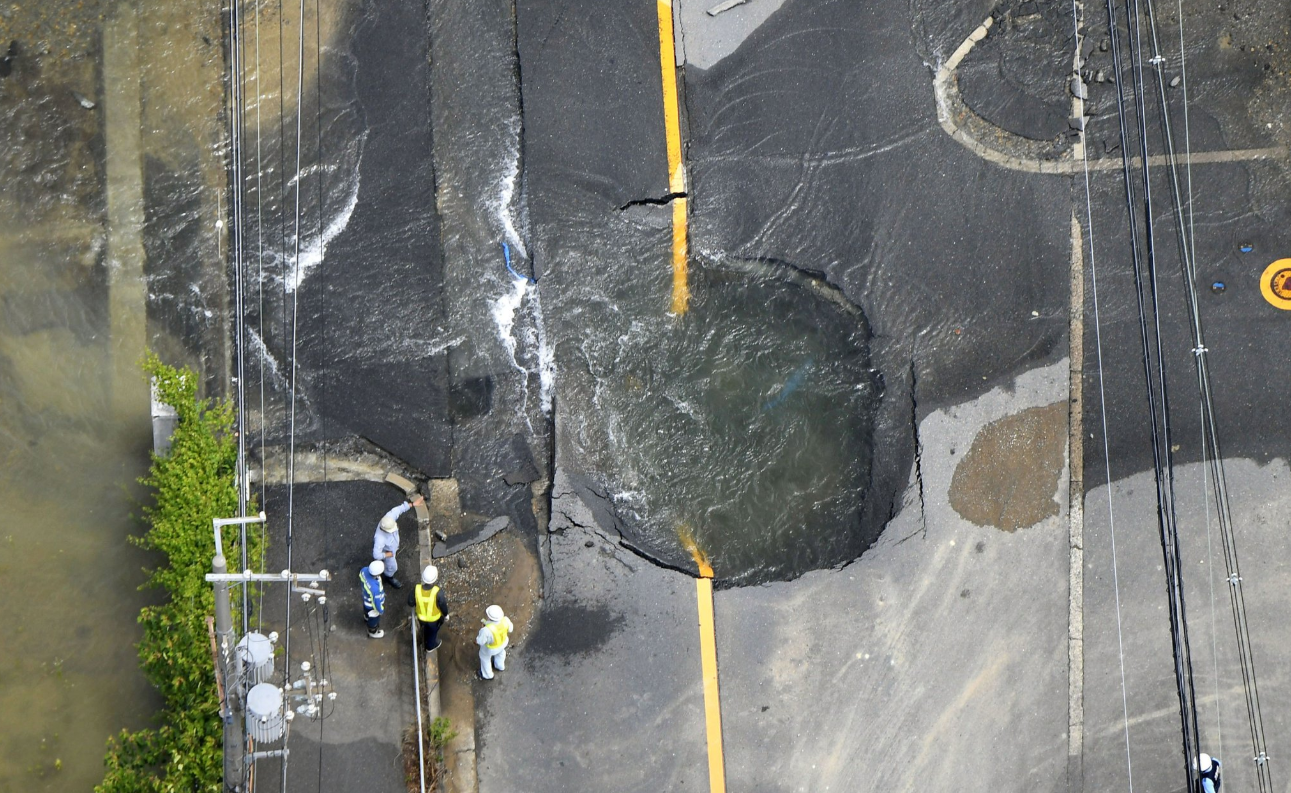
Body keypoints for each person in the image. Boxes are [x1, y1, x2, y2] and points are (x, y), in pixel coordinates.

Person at [371, 494, 424, 589]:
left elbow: (398, 510)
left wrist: (412, 504)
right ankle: (388, 576)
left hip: (392, 548)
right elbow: (376, 554)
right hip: (390, 552)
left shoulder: (388, 518)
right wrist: (387, 555)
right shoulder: (380, 539)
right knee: (393, 567)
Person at [407, 564, 449, 652]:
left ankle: (425, 635)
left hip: (421, 618)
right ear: (435, 578)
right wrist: (446, 615)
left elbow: (410, 602)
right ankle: (430, 646)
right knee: (432, 634)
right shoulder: (438, 592)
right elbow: (443, 606)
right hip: (434, 620)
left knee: (426, 629)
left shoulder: (416, 589)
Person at [476, 604, 514, 680]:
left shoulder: (486, 630)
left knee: (485, 658)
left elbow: (480, 641)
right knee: (501, 653)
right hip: (503, 643)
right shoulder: (505, 620)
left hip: (490, 649)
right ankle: (500, 666)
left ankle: (487, 675)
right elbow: (510, 629)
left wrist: (481, 629)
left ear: (489, 617)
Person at [360, 560, 387, 639]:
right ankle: (373, 632)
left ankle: (366, 617)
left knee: (366, 610)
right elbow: (376, 602)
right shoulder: (375, 589)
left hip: (366, 600)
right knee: (374, 619)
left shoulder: (364, 570)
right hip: (372, 606)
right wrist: (380, 610)